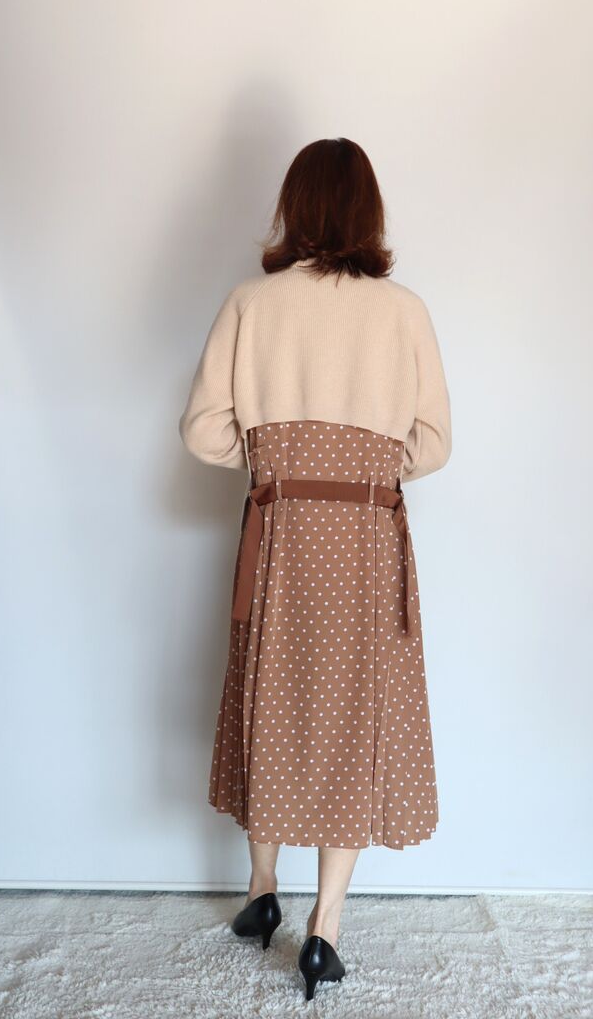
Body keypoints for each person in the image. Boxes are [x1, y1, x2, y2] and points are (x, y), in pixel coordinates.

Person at [178, 137, 452, 1001]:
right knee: (352, 718)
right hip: (364, 542)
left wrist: (275, 461)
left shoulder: (250, 303)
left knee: (270, 700)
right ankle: (324, 929)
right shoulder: (402, 311)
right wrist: (363, 470)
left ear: (292, 207)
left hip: (281, 537)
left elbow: (201, 430)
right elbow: (433, 443)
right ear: (369, 211)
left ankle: (262, 892)